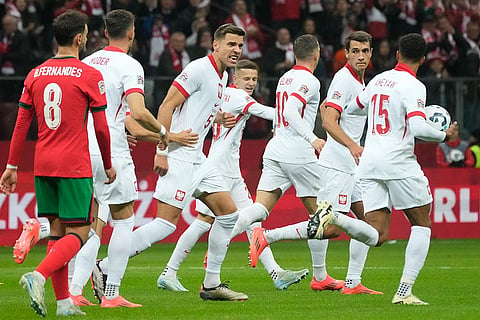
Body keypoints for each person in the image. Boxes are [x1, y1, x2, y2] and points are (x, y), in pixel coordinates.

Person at [93, 23, 248, 301]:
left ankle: (211, 284)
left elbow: (197, 109)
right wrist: (162, 151)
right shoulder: (198, 69)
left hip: (198, 157)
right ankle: (103, 267)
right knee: (165, 225)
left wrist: (217, 117)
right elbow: (167, 105)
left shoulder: (223, 75)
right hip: (178, 154)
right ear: (215, 44)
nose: (236, 50)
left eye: (239, 46)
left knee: (228, 214)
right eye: (231, 44)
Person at [308, 33, 459, 305]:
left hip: (369, 161)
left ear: (398, 54)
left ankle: (338, 219)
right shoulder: (414, 86)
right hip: (398, 161)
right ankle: (404, 292)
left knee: (377, 233)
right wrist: (445, 136)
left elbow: (353, 109)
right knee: (422, 224)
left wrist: (330, 108)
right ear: (423, 60)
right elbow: (418, 127)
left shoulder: (378, 80)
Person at [0, 9, 116, 317]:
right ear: (80, 38)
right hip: (74, 164)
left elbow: (22, 124)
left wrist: (11, 166)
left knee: (56, 232)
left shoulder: (35, 74)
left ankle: (64, 304)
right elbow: (102, 128)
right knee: (81, 233)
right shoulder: (90, 74)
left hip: (43, 164)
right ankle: (37, 275)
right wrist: (107, 163)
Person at [248, 31, 382, 295]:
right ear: (345, 53)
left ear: (371, 53)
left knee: (368, 221)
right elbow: (329, 120)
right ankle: (268, 237)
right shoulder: (343, 80)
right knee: (328, 225)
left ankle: (352, 282)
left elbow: (327, 109)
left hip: (349, 164)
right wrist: (350, 145)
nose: (360, 56)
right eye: (355, 51)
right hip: (338, 163)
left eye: (365, 51)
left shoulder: (357, 83)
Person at [156, 59, 308, 292]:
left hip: (229, 167)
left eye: (254, 80)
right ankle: (169, 271)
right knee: (203, 222)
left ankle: (277, 273)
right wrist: (297, 114)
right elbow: (265, 112)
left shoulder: (223, 94)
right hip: (219, 169)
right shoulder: (238, 97)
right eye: (246, 78)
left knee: (251, 220)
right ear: (234, 78)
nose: (250, 83)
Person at [68, 9, 168, 308]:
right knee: (124, 221)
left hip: (81, 149)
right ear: (132, 32)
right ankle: (111, 294)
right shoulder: (129, 65)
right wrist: (163, 132)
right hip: (110, 150)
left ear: (104, 32)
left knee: (93, 222)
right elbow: (137, 111)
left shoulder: (85, 62)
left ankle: (74, 290)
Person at [230, 35, 326, 285]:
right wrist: (312, 138)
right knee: (324, 217)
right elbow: (290, 111)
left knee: (258, 210)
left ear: (295, 54)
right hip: (298, 152)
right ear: (316, 54)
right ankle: (318, 275)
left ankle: (217, 246)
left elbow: (281, 114)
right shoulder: (310, 81)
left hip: (275, 148)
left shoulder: (285, 77)